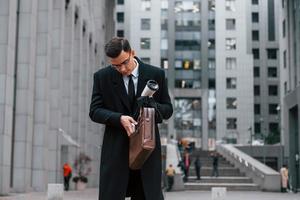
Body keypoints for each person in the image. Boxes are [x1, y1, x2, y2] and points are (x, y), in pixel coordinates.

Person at [89, 37, 173, 200]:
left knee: (147, 195)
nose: (121, 69)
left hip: (146, 150)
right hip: (115, 150)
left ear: (132, 53)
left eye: (124, 63)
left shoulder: (156, 74)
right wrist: (119, 118)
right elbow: (94, 111)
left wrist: (152, 106)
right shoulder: (102, 77)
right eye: (116, 66)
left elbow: (168, 110)